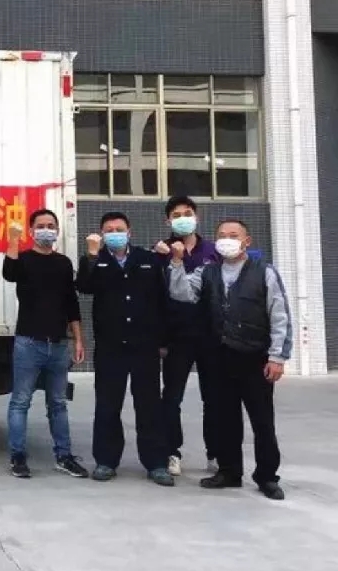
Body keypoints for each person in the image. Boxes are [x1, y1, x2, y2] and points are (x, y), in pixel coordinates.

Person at [166, 219, 293, 501]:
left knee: (262, 421)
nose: (227, 240)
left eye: (233, 235)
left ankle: (267, 476)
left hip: (254, 358)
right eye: (222, 235)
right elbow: (182, 293)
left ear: (247, 241)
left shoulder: (265, 272)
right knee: (225, 418)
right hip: (219, 357)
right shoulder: (208, 271)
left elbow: (279, 315)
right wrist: (176, 263)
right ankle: (229, 471)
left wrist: (277, 356)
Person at [76, 211, 174, 486]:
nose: (114, 233)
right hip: (111, 346)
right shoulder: (96, 261)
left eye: (119, 229)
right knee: (107, 406)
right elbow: (84, 287)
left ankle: (156, 463)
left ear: (129, 232)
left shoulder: (147, 259)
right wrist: (91, 256)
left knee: (149, 406)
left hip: (145, 346)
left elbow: (162, 301)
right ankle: (106, 461)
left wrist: (163, 341)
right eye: (109, 230)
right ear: (101, 235)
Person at [2, 210, 89, 480]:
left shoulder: (63, 263)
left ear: (57, 231)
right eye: (41, 226)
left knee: (58, 404)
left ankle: (64, 456)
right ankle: (18, 457)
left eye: (51, 225)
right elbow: (8, 273)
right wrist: (13, 240)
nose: (46, 230)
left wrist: (78, 338)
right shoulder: (24, 260)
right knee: (20, 402)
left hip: (59, 344)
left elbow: (71, 303)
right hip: (28, 343)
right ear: (31, 231)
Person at [152, 196, 219, 476]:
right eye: (176, 215)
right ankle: (172, 452)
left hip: (211, 336)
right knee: (172, 397)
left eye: (187, 213)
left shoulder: (214, 252)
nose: (183, 218)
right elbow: (155, 299)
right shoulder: (160, 253)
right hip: (176, 337)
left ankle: (216, 452)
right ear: (168, 221)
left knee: (214, 397)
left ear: (197, 217)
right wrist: (160, 339)